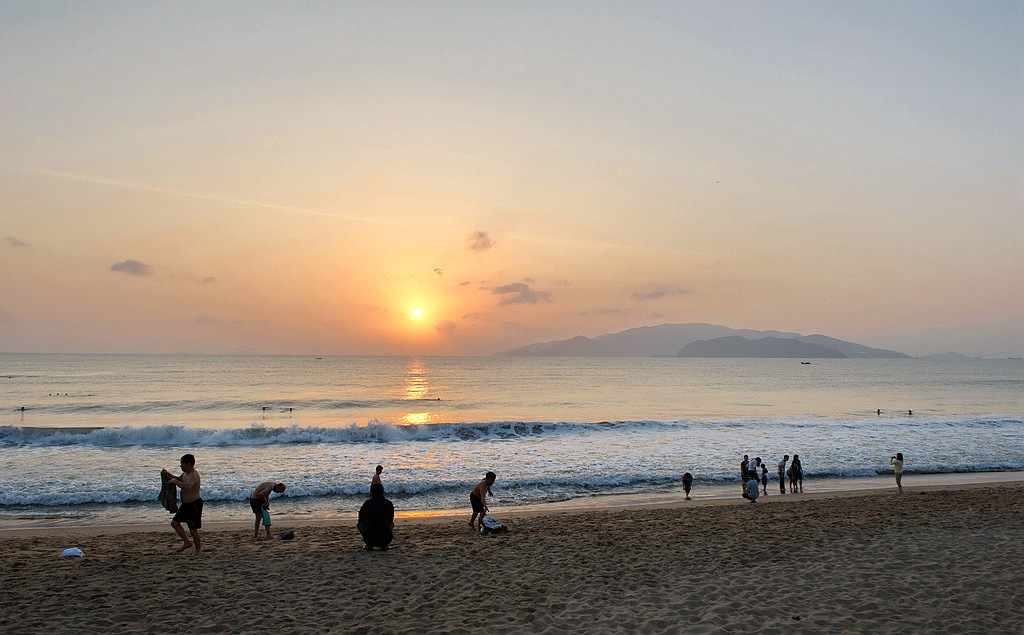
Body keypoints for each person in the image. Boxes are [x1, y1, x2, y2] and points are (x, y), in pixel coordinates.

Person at [162, 454, 202, 553]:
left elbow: (187, 487)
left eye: (182, 464)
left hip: (194, 504)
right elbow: (179, 479)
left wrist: (175, 482)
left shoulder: (194, 475)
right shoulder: (186, 473)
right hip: (185, 505)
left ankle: (198, 550)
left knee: (193, 530)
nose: (181, 466)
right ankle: (187, 542)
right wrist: (168, 475)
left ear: (188, 464)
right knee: (174, 523)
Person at [358, 483, 394, 550]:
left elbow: (360, 520)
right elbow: (390, 520)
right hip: (385, 539)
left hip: (369, 539)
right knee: (390, 524)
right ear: (382, 492)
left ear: (371, 492)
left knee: (360, 524)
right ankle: (385, 545)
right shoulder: (388, 504)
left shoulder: (366, 504)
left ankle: (369, 545)